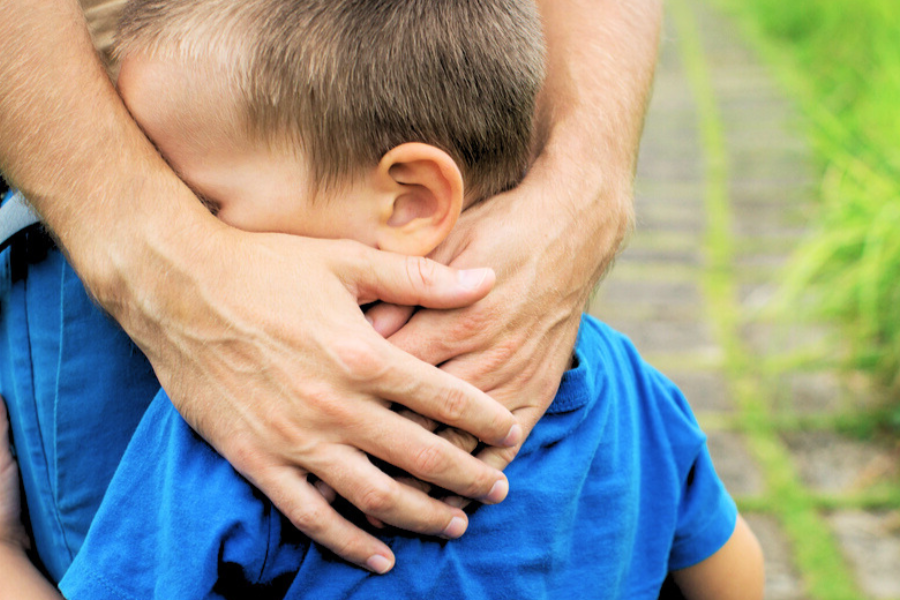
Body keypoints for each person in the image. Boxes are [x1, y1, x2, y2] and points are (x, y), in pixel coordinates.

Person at [6, 1, 763, 597]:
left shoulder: (246, 433)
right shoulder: (629, 386)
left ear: (408, 202)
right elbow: (737, 577)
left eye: (203, 204)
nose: (195, 234)